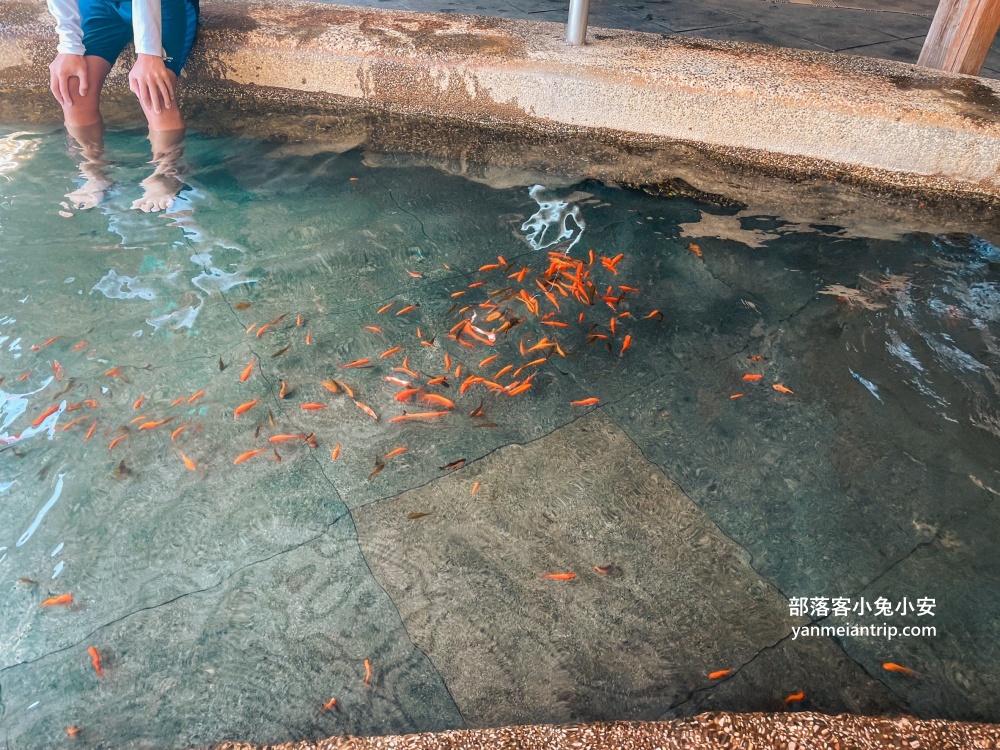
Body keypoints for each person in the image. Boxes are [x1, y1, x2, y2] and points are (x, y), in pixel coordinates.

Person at [46, 0, 199, 212]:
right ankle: (92, 169)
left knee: (153, 89)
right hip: (98, 4)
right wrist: (69, 47)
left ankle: (166, 171)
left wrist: (149, 54)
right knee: (73, 85)